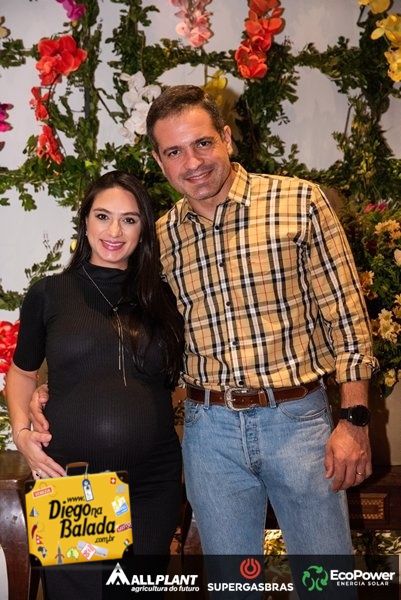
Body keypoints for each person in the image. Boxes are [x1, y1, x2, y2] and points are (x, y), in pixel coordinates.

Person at [31, 87, 377, 594]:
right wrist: (51, 388)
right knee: (234, 586)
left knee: (327, 585)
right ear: (159, 161)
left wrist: (355, 419)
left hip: (298, 424)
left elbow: (347, 317)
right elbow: (111, 321)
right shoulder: (161, 238)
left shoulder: (299, 202)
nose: (192, 163)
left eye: (202, 143)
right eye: (174, 151)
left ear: (227, 139)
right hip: (209, 433)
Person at [6, 171, 184, 600]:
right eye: (103, 216)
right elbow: (22, 373)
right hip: (73, 480)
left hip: (152, 484)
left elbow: (177, 381)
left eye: (129, 220)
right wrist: (22, 432)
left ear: (143, 230)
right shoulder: (49, 293)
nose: (114, 231)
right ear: (84, 220)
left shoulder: (163, 297)